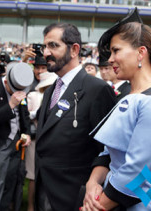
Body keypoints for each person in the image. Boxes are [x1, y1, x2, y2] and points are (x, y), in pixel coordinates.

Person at [82, 8, 151, 211]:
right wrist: (93, 182)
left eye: (116, 51)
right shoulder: (130, 96)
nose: (110, 59)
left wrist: (98, 205)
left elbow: (144, 171)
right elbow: (110, 151)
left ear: (141, 53)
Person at [35, 22, 116, 211]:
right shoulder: (50, 91)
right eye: (44, 46)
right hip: (45, 190)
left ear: (74, 50)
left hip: (74, 197)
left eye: (53, 46)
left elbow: (107, 150)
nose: (46, 53)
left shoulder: (97, 90)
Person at [0, 62, 33, 211]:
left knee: (11, 183)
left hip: (17, 143)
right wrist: (10, 105)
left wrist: (27, 133)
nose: (18, 92)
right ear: (6, 81)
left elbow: (25, 115)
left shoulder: (21, 90)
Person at [26, 71, 57, 211]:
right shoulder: (34, 95)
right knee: (34, 176)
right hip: (35, 139)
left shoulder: (58, 97)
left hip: (53, 142)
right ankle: (31, 205)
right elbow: (28, 115)